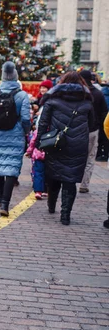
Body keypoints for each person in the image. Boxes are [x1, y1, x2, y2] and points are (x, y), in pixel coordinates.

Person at [35, 72, 94, 225]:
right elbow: (93, 123)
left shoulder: (53, 99)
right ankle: (65, 214)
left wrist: (39, 140)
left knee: (54, 174)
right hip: (78, 145)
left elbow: (43, 122)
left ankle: (51, 204)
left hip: (56, 143)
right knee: (70, 179)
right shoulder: (87, 101)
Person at [0, 61, 31, 217]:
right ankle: (5, 204)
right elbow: (26, 118)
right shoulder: (22, 95)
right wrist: (26, 132)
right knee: (11, 169)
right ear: (16, 76)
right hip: (16, 134)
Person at [78, 70, 108, 193]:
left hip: (77, 130)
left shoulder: (77, 93)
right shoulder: (99, 94)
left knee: (73, 156)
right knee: (90, 158)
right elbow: (104, 113)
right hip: (93, 130)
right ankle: (84, 185)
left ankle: (69, 181)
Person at [25, 125, 46, 200]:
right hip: (50, 156)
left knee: (38, 173)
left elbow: (32, 142)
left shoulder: (37, 131)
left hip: (38, 155)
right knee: (48, 173)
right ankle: (46, 190)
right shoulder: (54, 130)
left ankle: (38, 191)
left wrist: (29, 152)